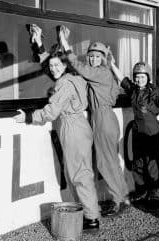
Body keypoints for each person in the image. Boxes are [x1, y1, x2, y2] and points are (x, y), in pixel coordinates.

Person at [29, 24, 130, 216]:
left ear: (103, 58)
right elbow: (57, 68)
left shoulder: (100, 72)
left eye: (97, 56)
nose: (93, 58)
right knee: (109, 161)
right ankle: (122, 196)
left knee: (105, 163)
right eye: (90, 55)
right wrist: (41, 46)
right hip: (100, 118)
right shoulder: (92, 75)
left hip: (103, 119)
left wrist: (65, 43)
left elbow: (75, 66)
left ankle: (120, 200)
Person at [13, 48, 100, 232]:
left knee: (79, 175)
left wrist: (29, 116)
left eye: (56, 65)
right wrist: (39, 47)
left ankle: (91, 219)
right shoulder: (76, 78)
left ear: (65, 65)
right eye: (50, 66)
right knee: (83, 172)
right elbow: (54, 70)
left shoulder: (64, 84)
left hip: (72, 129)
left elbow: (51, 112)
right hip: (81, 126)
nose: (52, 69)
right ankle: (89, 214)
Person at [110, 60, 159, 210]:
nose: (140, 79)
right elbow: (122, 79)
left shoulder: (154, 92)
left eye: (143, 76)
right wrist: (112, 63)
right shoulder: (133, 90)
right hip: (138, 131)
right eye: (137, 76)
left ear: (148, 77)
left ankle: (156, 195)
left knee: (152, 164)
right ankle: (141, 191)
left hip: (152, 132)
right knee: (138, 163)